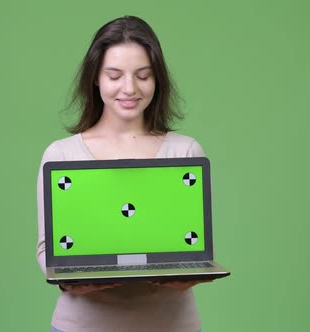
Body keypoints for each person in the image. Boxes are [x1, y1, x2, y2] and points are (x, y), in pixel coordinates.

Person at [36, 15, 210, 332]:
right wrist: (69, 281)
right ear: (95, 78)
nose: (129, 88)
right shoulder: (61, 154)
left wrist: (190, 272)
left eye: (143, 76)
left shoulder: (185, 151)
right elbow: (47, 249)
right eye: (114, 75)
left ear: (157, 80)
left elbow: (193, 242)